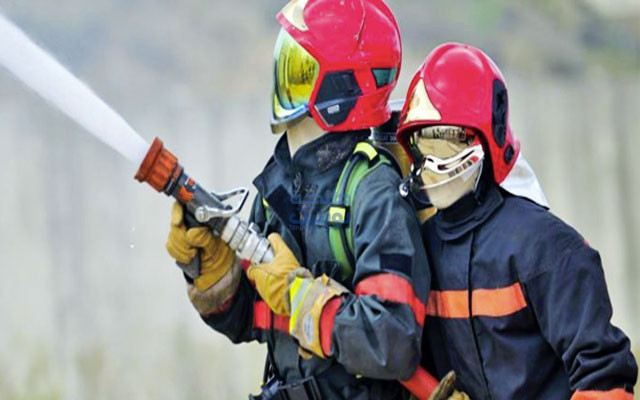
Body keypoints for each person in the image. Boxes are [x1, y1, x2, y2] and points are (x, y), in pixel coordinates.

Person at [165, 1, 436, 398]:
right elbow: (253, 319)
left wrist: (299, 297)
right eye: (286, 64)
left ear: (341, 88)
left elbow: (392, 342)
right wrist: (214, 275)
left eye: (301, 70)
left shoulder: (373, 192)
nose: (284, 80)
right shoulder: (280, 184)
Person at [395, 42, 638, 400]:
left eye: (444, 144)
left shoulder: (547, 249)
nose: (431, 164)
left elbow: (605, 380)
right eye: (422, 146)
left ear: (485, 138)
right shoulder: (421, 251)